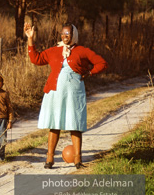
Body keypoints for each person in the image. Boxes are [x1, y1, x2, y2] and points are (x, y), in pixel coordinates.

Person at [24, 22, 108, 169]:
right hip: (55, 93)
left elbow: (101, 63)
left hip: (74, 93)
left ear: (73, 35)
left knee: (74, 125)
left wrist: (89, 72)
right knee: (54, 124)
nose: (65, 36)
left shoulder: (82, 51)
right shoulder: (54, 50)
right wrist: (30, 39)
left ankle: (77, 160)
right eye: (63, 33)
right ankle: (49, 159)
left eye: (68, 34)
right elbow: (35, 59)